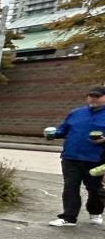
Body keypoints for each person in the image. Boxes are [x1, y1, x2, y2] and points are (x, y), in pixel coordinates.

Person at [45, 85, 105, 227]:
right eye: (90, 96)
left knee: (94, 189)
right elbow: (63, 130)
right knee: (70, 187)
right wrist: (53, 134)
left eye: (97, 96)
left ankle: (95, 212)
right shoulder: (76, 113)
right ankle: (69, 217)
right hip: (70, 157)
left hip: (96, 159)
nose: (92, 99)